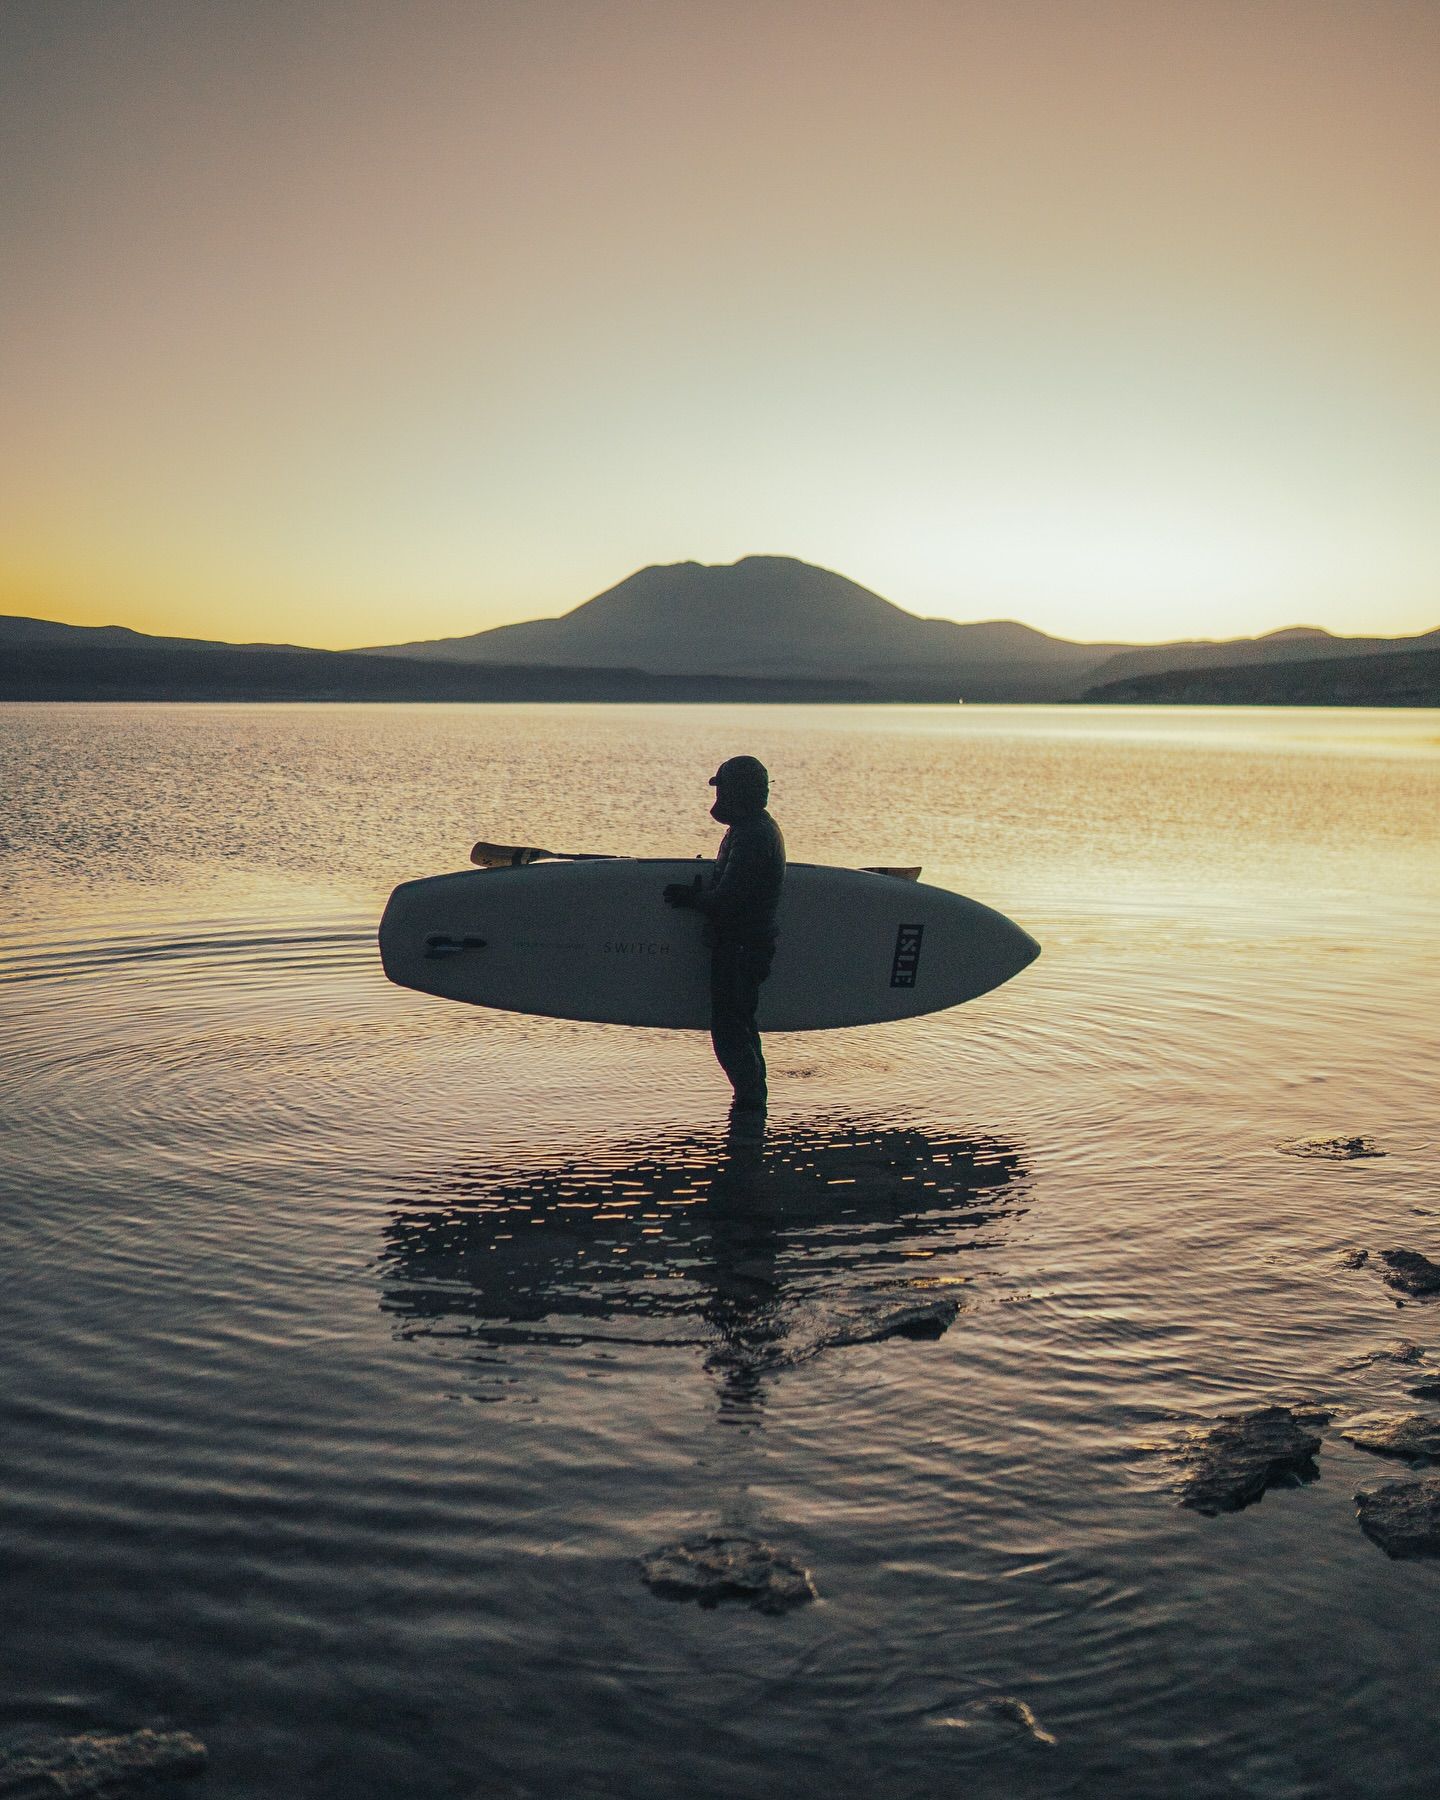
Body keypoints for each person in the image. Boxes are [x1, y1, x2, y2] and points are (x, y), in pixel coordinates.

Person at [663, 756, 786, 1115]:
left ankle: (749, 1106)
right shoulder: (752, 829)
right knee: (741, 1026)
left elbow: (730, 900)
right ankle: (752, 1101)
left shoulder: (752, 835)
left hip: (742, 948)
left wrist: (691, 900)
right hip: (746, 945)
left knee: (731, 1030)